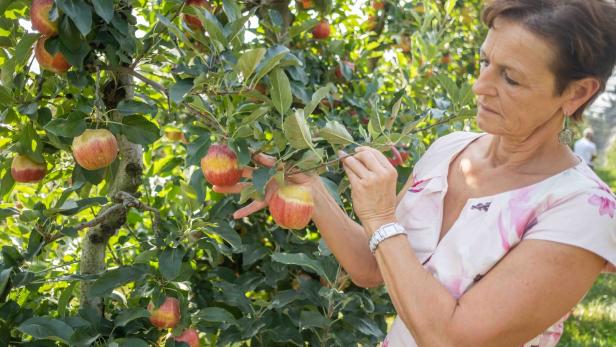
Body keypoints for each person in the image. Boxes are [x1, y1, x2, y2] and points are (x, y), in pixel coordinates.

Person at [214, 1, 616, 346]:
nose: (479, 86)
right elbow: (373, 267)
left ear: (576, 93)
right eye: (485, 62)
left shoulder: (582, 211)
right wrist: (312, 189)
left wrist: (381, 217)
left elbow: (451, 338)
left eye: (509, 78)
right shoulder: (451, 149)